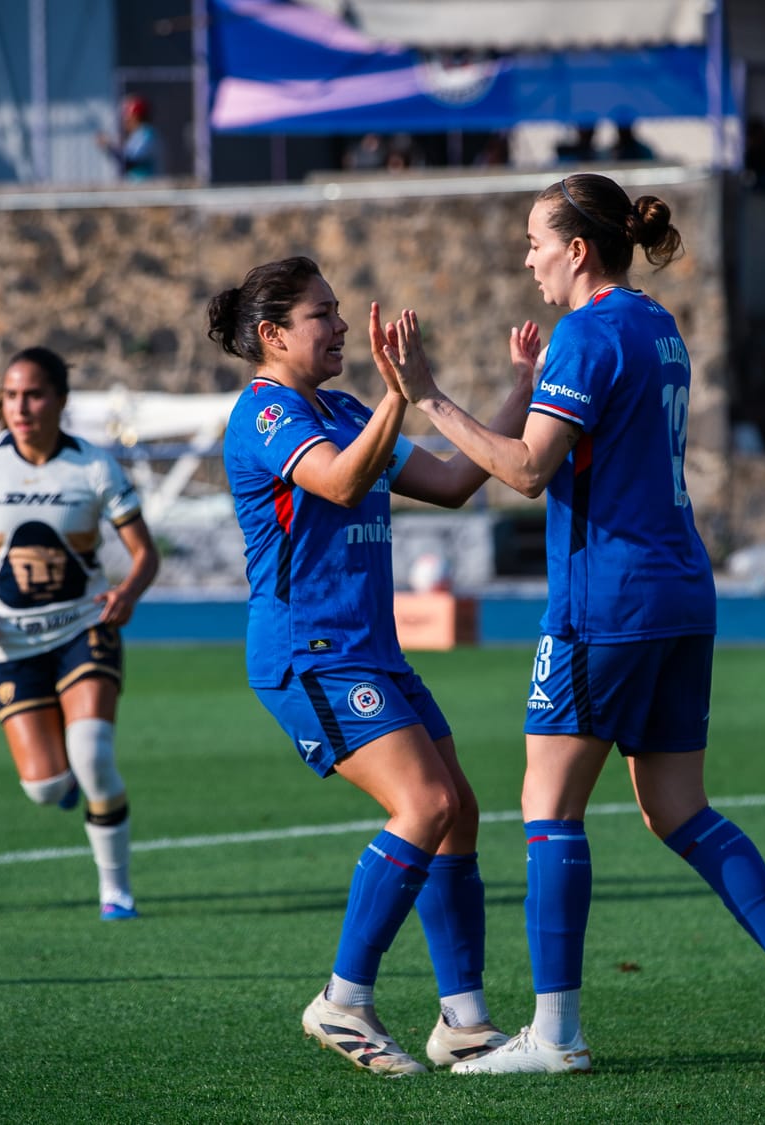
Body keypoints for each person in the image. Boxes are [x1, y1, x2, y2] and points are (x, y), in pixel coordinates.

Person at [378, 172, 765, 1075]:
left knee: (548, 806)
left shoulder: (587, 333)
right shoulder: (657, 325)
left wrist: (428, 395)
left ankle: (556, 1034)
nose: (526, 258)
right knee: (677, 807)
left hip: (608, 602)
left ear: (577, 249)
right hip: (680, 592)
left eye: (535, 241)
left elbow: (528, 471)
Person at [211, 257, 538, 1075]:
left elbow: (455, 482)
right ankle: (343, 999)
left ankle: (464, 1021)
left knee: (458, 811)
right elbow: (340, 480)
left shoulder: (347, 407)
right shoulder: (266, 414)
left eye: (336, 310)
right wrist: (399, 393)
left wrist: (521, 387)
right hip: (310, 653)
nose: (340, 326)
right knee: (425, 803)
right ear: (272, 334)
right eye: (321, 314)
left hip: (371, 652)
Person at [0, 347, 160, 920]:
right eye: (12, 395)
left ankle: (116, 892)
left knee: (93, 755)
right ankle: (62, 781)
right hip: (9, 643)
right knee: (43, 787)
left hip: (84, 629)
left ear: (60, 400)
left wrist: (127, 593)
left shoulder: (94, 466)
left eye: (34, 395)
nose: (20, 407)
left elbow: (145, 554)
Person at [98, 94, 159, 181]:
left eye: (127, 117)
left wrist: (110, 146)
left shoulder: (146, 134)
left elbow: (131, 162)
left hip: (147, 184)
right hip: (137, 184)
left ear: (136, 117)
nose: (124, 121)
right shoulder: (136, 135)